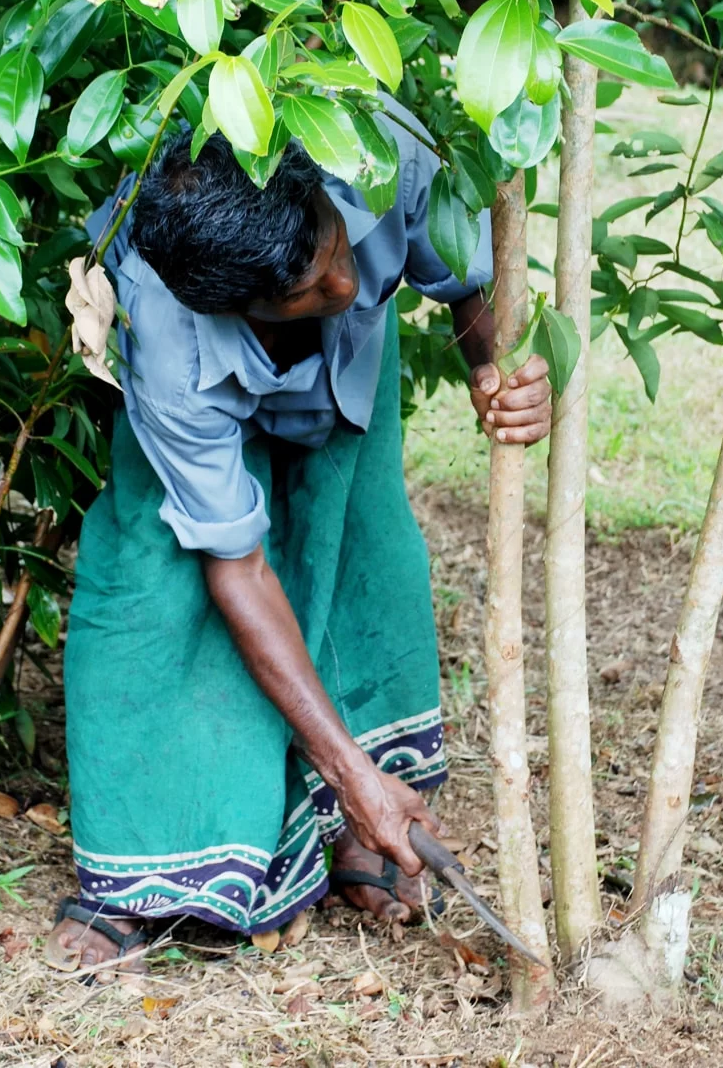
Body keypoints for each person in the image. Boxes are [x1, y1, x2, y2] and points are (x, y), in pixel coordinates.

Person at [45, 101, 552, 974]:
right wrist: (354, 777)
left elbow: (462, 278)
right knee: (159, 583)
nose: (343, 286)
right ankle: (147, 871)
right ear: (235, 305)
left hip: (342, 369)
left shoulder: (372, 148)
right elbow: (237, 568)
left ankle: (355, 830)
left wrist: (494, 373)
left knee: (358, 554)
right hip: (201, 385)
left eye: (336, 250)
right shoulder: (168, 334)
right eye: (306, 289)